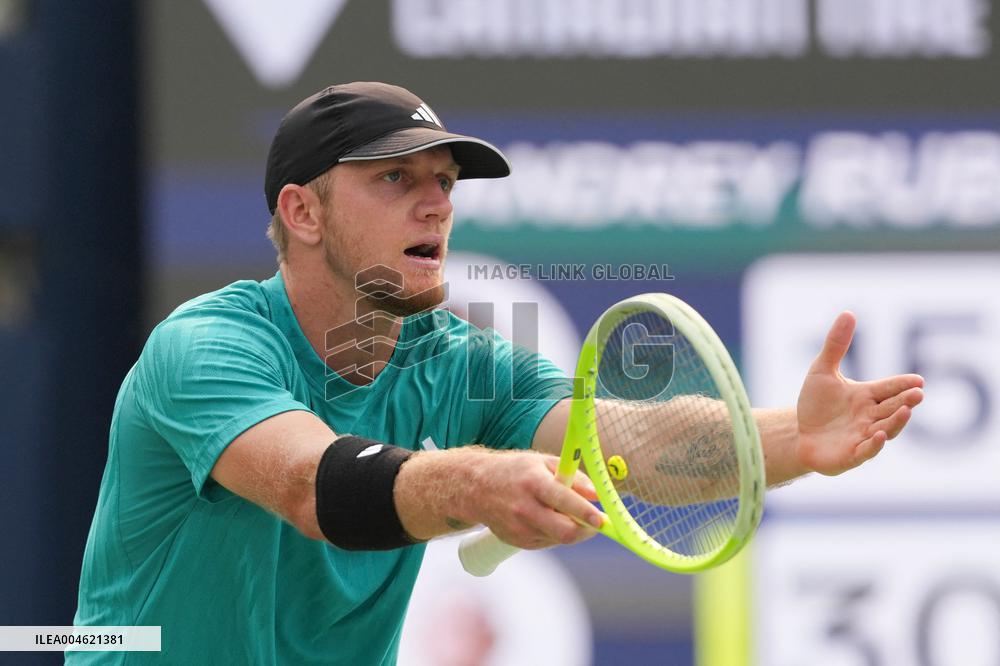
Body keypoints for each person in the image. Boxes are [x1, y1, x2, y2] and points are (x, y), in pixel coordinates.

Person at [70, 82, 924, 665]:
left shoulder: (460, 358)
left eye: (444, 182)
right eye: (395, 178)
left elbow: (622, 445)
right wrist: (479, 484)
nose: (437, 203)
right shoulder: (206, 346)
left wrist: (794, 438)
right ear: (302, 212)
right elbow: (311, 487)